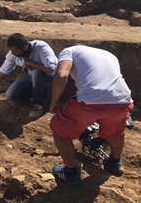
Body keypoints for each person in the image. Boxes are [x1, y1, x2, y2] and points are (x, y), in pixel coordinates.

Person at [49, 45, 133, 185]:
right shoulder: (109, 55)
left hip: (89, 100)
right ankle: (114, 162)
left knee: (59, 131)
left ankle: (71, 173)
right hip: (122, 99)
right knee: (115, 132)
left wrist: (54, 101)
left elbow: (62, 75)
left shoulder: (68, 51)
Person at [0, 33, 57, 118]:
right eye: (11, 50)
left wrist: (30, 63)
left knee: (36, 72)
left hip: (51, 77)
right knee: (10, 94)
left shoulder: (41, 47)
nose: (12, 53)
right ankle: (42, 96)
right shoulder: (13, 54)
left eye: (15, 51)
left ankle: (38, 105)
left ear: (25, 47)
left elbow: (50, 69)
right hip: (31, 76)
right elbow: (3, 71)